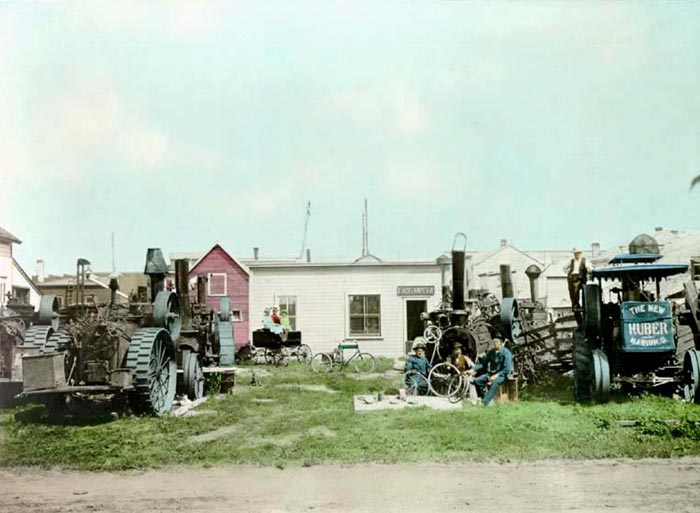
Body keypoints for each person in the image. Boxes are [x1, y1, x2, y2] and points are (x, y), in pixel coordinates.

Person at [467, 338, 512, 406]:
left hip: (502, 375)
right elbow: (483, 364)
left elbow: (507, 369)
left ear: (501, 343)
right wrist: (473, 369)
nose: (495, 344)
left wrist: (496, 375)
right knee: (477, 381)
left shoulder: (506, 353)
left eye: (496, 342)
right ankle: (484, 398)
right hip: (491, 373)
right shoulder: (491, 352)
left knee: (495, 382)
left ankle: (484, 402)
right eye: (493, 342)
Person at [563, 247, 593, 318]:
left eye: (578, 253)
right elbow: (564, 267)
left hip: (580, 278)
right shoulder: (572, 261)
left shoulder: (584, 261)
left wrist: (588, 270)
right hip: (572, 277)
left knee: (576, 288)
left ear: (580, 253)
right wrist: (568, 273)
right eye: (575, 253)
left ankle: (576, 303)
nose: (576, 255)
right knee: (571, 290)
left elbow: (590, 268)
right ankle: (575, 304)